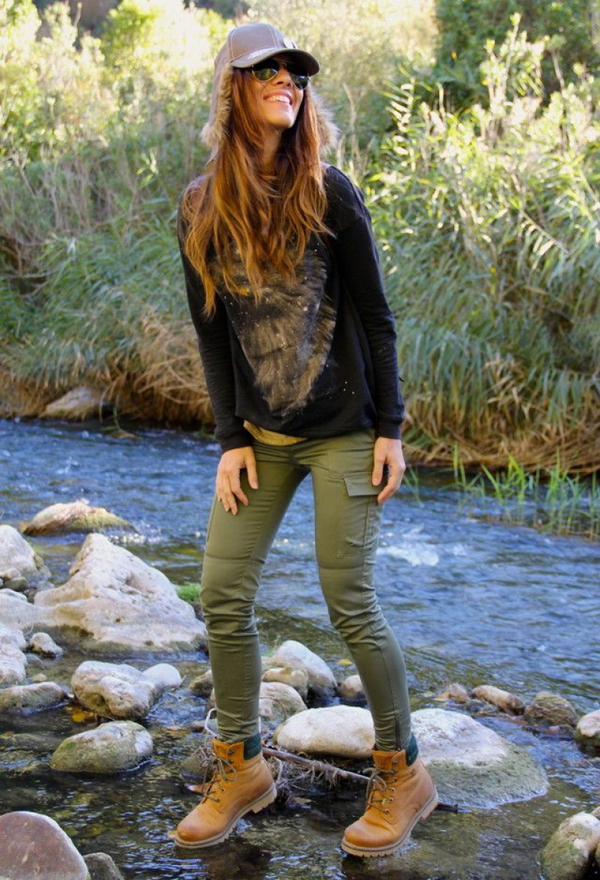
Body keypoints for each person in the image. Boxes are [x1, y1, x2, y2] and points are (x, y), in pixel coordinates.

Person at [172, 21, 438, 858]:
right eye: (269, 70)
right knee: (221, 594)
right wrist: (230, 438)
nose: (288, 80)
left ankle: (404, 773)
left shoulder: (330, 193)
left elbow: (378, 319)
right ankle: (242, 767)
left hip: (344, 433)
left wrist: (391, 428)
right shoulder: (199, 207)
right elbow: (212, 334)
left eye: (296, 72)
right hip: (260, 437)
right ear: (234, 88)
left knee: (349, 599)